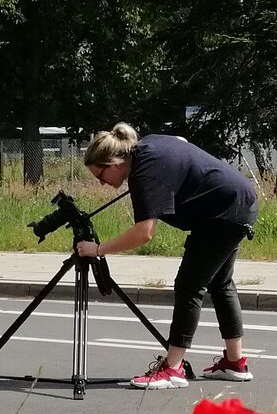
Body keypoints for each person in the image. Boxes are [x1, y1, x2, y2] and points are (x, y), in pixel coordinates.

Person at [75, 123, 258, 388]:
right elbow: (180, 141)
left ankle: (173, 369)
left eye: (100, 176)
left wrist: (98, 250)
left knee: (189, 286)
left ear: (115, 163)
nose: (102, 183)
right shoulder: (149, 145)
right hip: (238, 201)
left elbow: (144, 233)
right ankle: (235, 362)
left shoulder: (144, 173)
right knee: (220, 283)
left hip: (222, 213)